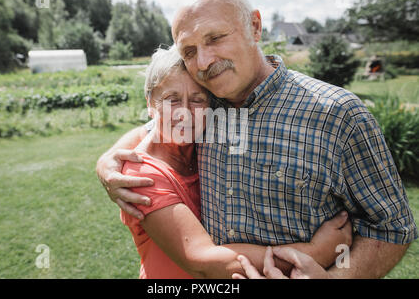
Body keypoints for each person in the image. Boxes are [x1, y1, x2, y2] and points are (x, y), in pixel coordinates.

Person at [97, 0, 417, 278]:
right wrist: (108, 161)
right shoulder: (208, 106)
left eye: (215, 38)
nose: (205, 61)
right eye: (190, 51)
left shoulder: (337, 113)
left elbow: (392, 228)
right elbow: (158, 127)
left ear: (255, 27)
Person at [120, 45, 352, 279]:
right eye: (172, 99)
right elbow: (201, 259)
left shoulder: (201, 144)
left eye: (197, 99)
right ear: (150, 102)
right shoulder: (142, 174)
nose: (185, 113)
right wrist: (314, 253)